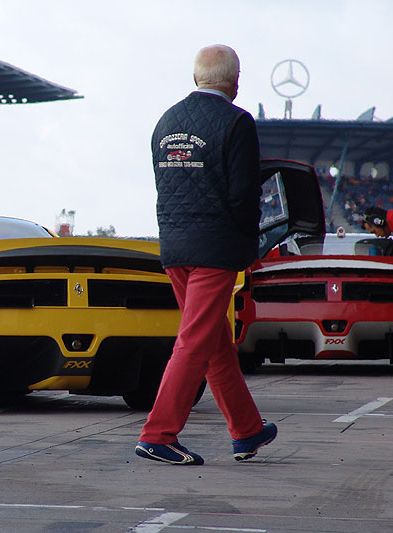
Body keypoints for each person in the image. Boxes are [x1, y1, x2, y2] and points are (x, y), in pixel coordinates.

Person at [135, 44, 277, 466]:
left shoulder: (165, 122)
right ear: (235, 81)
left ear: (196, 77)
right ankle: (158, 433)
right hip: (215, 248)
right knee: (196, 340)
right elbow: (243, 197)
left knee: (215, 342)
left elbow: (164, 187)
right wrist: (248, 248)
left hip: (175, 246)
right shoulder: (237, 122)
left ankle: (247, 430)